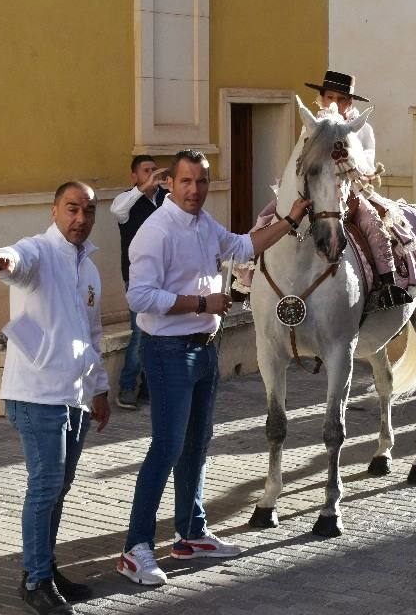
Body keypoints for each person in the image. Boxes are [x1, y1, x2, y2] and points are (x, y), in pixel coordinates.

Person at [117, 150, 310, 586]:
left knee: (197, 444)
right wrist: (203, 303)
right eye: (186, 182)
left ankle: (192, 533)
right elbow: (140, 297)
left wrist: (291, 219)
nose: (195, 190)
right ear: (170, 183)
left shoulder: (204, 223)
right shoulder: (155, 231)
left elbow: (244, 246)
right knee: (166, 448)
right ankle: (135, 548)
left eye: (202, 182)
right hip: (168, 352)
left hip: (205, 348)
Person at [0, 182, 111, 615]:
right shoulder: (38, 251)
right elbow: (18, 258)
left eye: (88, 211)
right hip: (36, 395)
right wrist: (3, 261)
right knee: (45, 488)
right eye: (72, 209)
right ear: (55, 210)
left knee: (58, 488)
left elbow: (93, 334)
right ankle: (35, 580)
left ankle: (45, 567)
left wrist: (101, 388)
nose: (80, 218)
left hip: (75, 394)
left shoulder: (89, 268)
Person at [306, 71, 410, 307]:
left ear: (350, 102)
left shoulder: (362, 129)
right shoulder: (312, 127)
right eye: (329, 97)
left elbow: (366, 167)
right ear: (321, 99)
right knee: (272, 216)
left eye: (341, 99)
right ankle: (252, 270)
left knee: (374, 225)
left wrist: (350, 172)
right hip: (315, 192)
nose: (334, 103)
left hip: (350, 191)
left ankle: (387, 285)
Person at [111, 155, 169, 409]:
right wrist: (141, 191)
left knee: (161, 332)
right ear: (134, 176)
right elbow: (117, 210)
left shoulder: (166, 200)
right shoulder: (126, 201)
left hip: (166, 277)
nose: (153, 175)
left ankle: (149, 386)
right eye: (146, 171)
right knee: (139, 332)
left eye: (155, 170)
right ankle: (127, 387)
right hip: (138, 279)